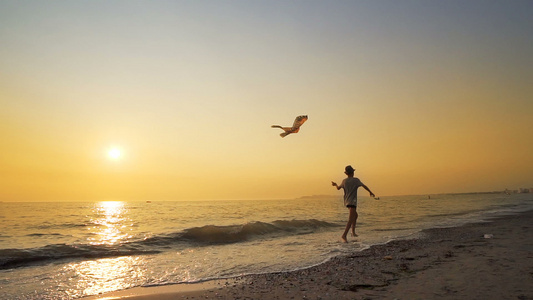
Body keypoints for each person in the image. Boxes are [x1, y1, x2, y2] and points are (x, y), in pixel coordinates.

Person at [331, 165, 375, 243]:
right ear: (353, 172)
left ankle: (353, 232)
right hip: (352, 202)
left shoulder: (344, 181)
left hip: (347, 201)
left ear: (346, 173)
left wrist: (335, 185)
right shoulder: (356, 180)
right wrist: (370, 192)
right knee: (351, 219)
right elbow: (364, 186)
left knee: (355, 215)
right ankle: (344, 235)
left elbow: (338, 188)